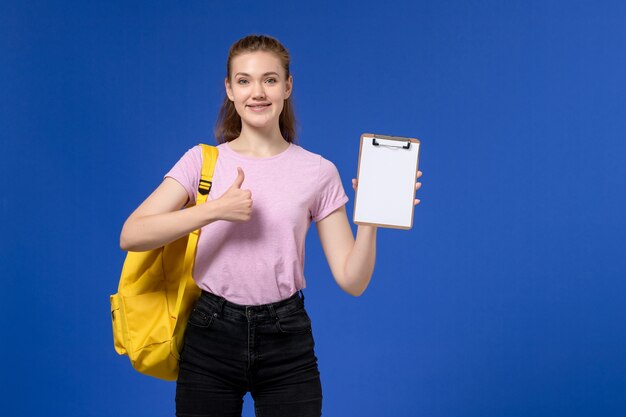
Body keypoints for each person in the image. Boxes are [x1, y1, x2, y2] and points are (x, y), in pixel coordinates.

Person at [119, 34, 422, 417]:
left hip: (286, 337)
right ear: (229, 90)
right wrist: (213, 210)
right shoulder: (201, 161)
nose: (257, 92)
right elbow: (131, 234)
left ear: (287, 86)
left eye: (270, 79)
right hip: (210, 331)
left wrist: (370, 220)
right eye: (244, 80)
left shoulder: (318, 171)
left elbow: (352, 280)